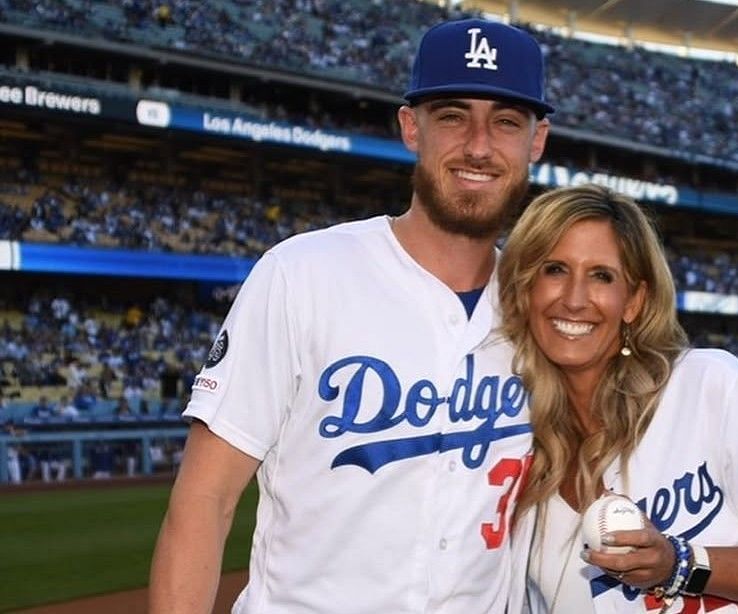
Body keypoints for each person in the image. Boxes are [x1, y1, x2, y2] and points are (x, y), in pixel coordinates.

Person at [149, 17, 553, 613]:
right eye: (451, 116)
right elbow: (204, 500)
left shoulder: (543, 310)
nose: (478, 145)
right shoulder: (302, 274)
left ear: (536, 140)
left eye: (506, 122)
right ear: (411, 127)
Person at [497, 185, 738, 613]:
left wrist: (678, 564)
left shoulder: (709, 385)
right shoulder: (510, 450)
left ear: (633, 300)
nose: (574, 299)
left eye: (602, 275)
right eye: (555, 269)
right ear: (526, 289)